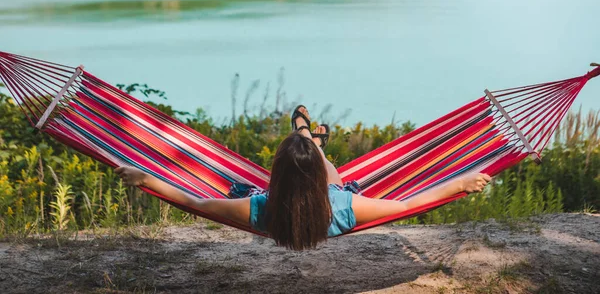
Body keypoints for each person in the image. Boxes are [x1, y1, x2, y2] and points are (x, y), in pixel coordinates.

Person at [116, 106, 491, 250]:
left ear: (273, 177)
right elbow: (407, 204)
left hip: (298, 194)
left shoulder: (261, 206)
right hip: (325, 194)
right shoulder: (341, 203)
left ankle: (303, 133)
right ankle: (310, 140)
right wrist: (459, 183)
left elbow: (194, 201)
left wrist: (145, 178)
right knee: (328, 171)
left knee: (320, 168)